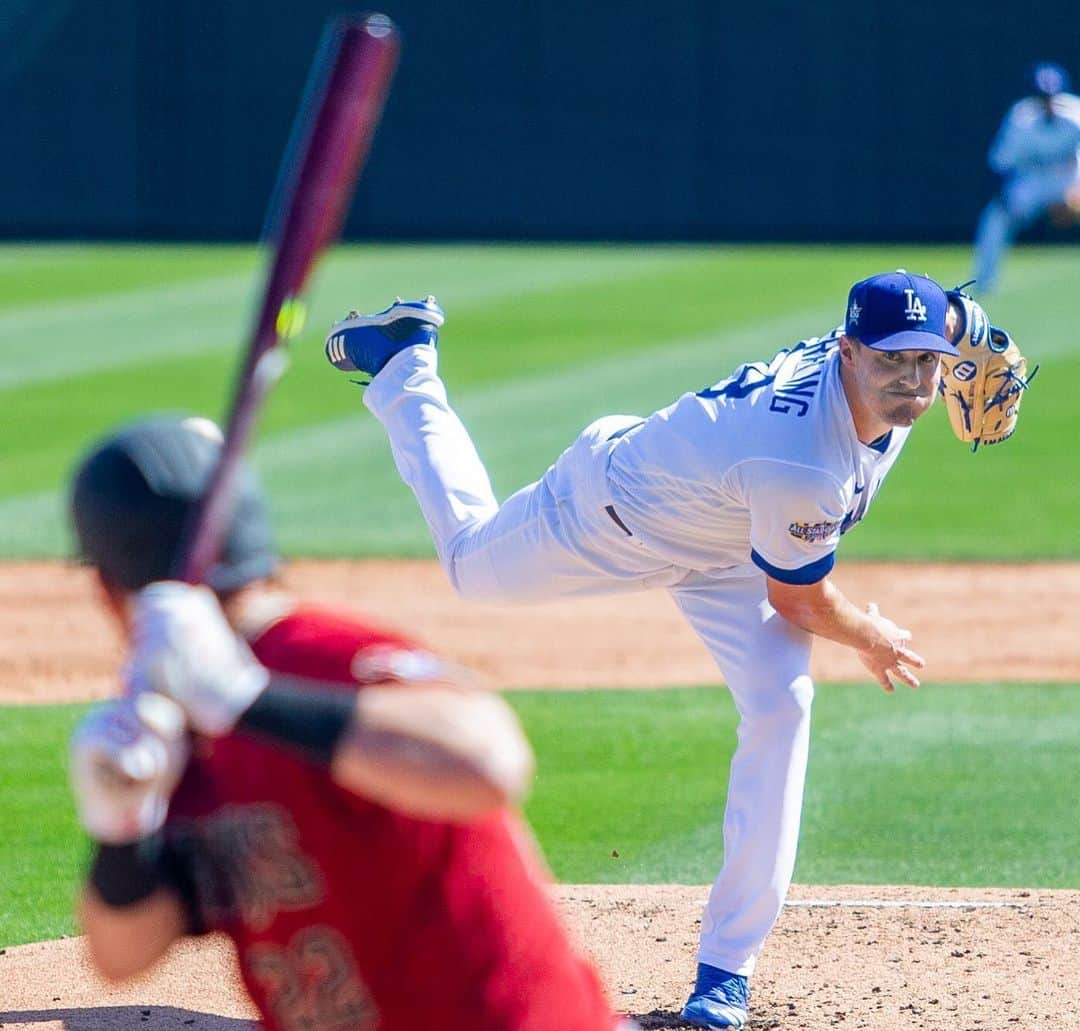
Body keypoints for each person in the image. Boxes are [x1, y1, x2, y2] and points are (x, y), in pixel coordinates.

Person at [323, 269, 991, 1029]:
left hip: (733, 537)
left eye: (927, 359)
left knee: (783, 704)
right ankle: (406, 364)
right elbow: (799, 599)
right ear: (846, 352)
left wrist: (980, 334)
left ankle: (725, 974)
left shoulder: (898, 369)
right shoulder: (803, 463)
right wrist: (870, 635)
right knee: (472, 567)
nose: (911, 379)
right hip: (613, 512)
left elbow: (962, 315)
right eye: (889, 360)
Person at [67, 415, 628, 1031]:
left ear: (106, 587)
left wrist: (245, 698)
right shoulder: (179, 728)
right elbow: (123, 954)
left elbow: (489, 762)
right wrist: (121, 831)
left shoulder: (320, 656)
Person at [973, 60, 1080, 292]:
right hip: (1034, 181)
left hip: (1069, 176)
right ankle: (985, 280)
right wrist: (1009, 199)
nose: (1048, 103)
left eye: (1052, 96)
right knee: (997, 216)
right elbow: (1000, 164)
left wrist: (1075, 195)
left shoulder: (1076, 114)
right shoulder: (1020, 119)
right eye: (1042, 97)